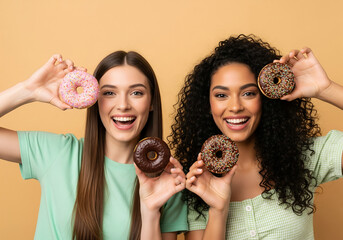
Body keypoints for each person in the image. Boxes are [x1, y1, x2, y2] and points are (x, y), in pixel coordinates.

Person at [169, 34, 343, 239]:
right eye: (221, 95)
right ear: (207, 104)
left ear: (266, 98)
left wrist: (326, 89)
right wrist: (218, 210)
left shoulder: (304, 158)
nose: (235, 107)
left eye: (248, 93)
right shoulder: (196, 181)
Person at [0, 51, 187, 240]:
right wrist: (28, 90)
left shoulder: (167, 181)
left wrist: (150, 212)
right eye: (109, 93)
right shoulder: (58, 153)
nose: (123, 105)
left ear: (151, 102)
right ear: (95, 101)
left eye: (136, 93)